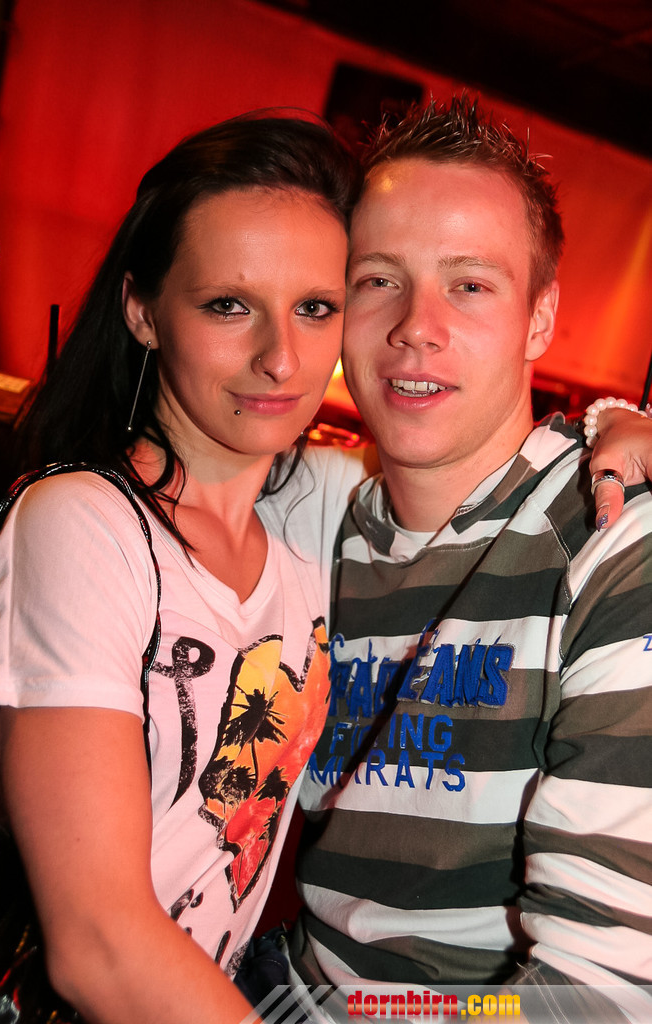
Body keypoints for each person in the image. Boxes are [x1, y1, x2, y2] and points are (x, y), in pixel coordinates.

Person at [0, 113, 364, 1024]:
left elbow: (478, 461)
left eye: (315, 307)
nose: (280, 357)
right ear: (143, 311)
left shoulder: (311, 516)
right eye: (228, 304)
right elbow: (98, 944)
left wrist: (612, 427)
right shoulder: (82, 525)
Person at [288, 97, 652, 1022]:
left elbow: (597, 998)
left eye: (470, 285)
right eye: (378, 278)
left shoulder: (613, 538)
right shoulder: (313, 513)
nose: (416, 326)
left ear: (539, 319)